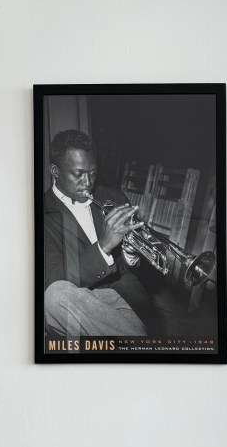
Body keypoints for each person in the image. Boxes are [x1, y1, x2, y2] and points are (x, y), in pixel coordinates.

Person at [43, 129, 152, 339]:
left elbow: (129, 271)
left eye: (93, 173)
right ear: (55, 171)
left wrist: (130, 254)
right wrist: (103, 247)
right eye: (79, 174)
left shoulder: (113, 197)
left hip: (123, 297)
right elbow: (52, 279)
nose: (88, 182)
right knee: (54, 297)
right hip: (74, 301)